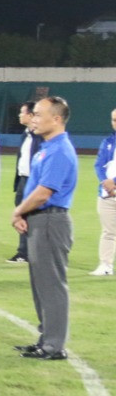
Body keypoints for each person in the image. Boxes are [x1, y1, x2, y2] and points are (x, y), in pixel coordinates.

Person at [12, 96, 78, 361]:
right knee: (41, 285)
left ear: (57, 119)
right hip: (40, 220)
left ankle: (54, 345)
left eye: (39, 114)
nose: (34, 118)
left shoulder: (59, 149)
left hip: (51, 220)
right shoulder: (47, 147)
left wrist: (18, 210)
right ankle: (46, 339)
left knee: (51, 285)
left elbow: (43, 193)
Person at [6, 101, 37, 264]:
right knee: (21, 216)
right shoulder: (25, 135)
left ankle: (26, 252)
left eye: (22, 112)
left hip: (33, 181)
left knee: (31, 217)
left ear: (31, 115)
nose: (19, 115)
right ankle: (23, 252)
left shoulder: (39, 136)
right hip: (22, 180)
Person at [93, 107, 116, 276]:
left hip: (111, 188)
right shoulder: (107, 142)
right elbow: (98, 164)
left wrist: (113, 182)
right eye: (114, 120)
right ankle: (106, 265)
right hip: (107, 194)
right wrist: (105, 182)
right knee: (108, 232)